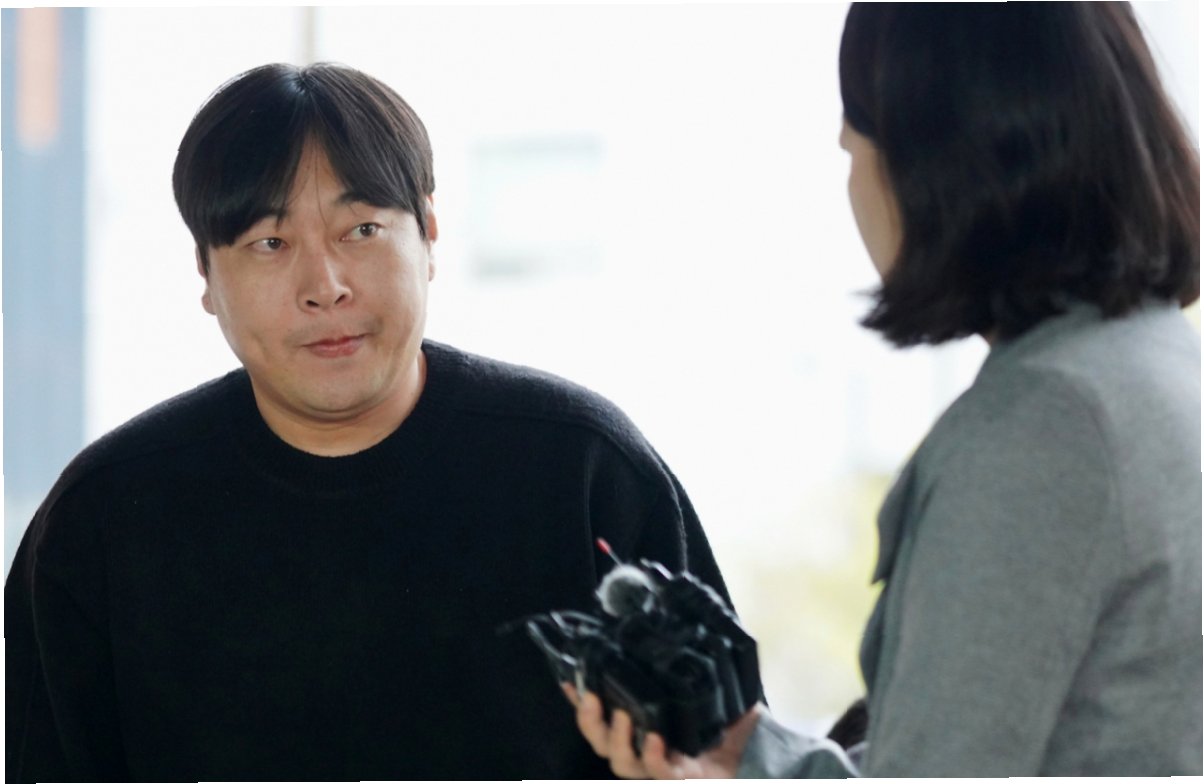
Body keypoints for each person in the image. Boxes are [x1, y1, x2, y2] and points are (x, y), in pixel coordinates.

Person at [4, 62, 743, 782]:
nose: (325, 287)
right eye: (270, 243)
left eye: (361, 229)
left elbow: (728, 754)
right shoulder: (104, 518)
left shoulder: (583, 471)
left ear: (428, 233)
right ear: (206, 273)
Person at [567, 2, 1201, 777]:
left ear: (934, 162)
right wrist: (755, 758)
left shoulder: (1042, 429)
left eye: (854, 147)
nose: (853, 185)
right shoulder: (1153, 362)